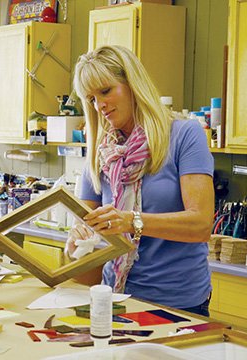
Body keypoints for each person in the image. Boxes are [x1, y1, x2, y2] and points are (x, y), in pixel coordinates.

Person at [66, 45, 214, 316]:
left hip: (178, 303)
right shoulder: (102, 153)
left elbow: (201, 225)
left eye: (105, 91)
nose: (100, 105)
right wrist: (76, 243)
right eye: (91, 99)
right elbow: (84, 238)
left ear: (132, 84)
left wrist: (132, 221)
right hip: (115, 299)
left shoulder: (184, 135)